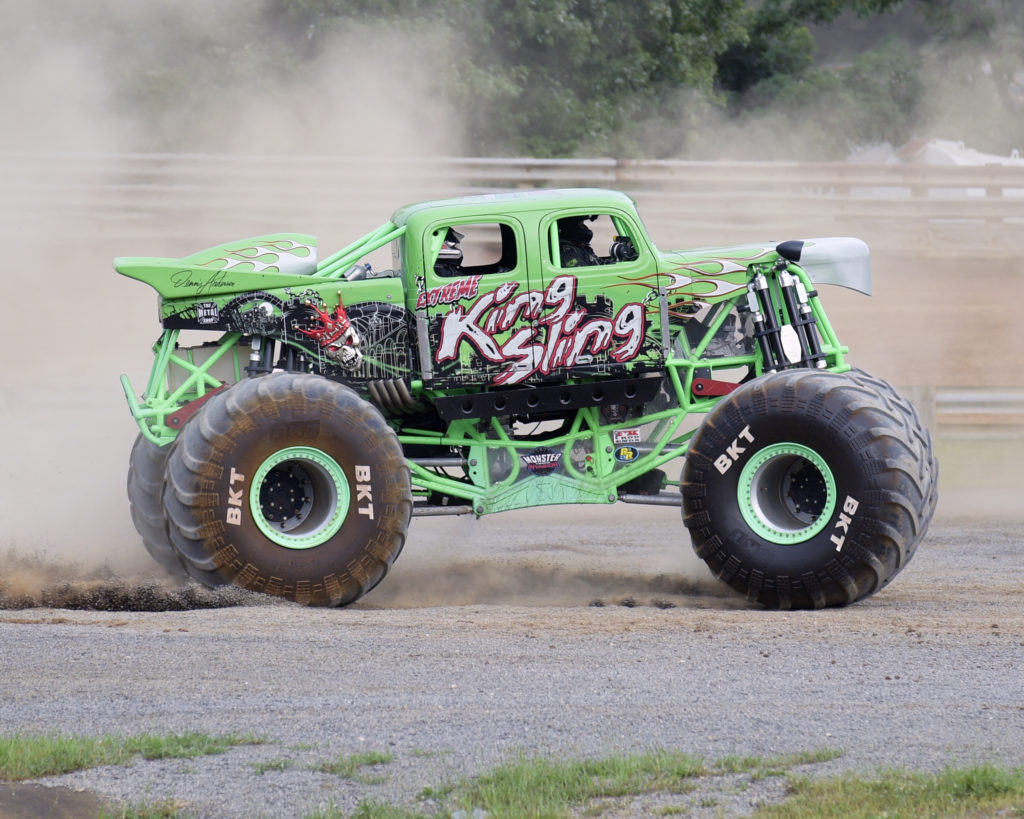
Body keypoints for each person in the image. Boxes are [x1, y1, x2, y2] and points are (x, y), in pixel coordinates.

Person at [558, 216, 639, 268]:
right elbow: (585, 275)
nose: (586, 227)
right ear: (571, 228)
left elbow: (598, 264)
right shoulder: (568, 252)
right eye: (581, 224)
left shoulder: (581, 248)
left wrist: (619, 261)